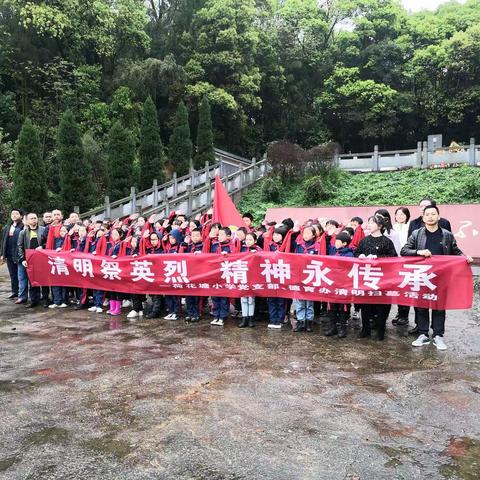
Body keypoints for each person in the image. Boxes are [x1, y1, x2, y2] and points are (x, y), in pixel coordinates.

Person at [401, 205, 473, 350]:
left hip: (441, 276)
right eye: (427, 214)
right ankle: (423, 334)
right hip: (422, 276)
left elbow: (455, 251)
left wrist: (465, 258)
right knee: (421, 305)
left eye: (433, 214)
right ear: (423, 217)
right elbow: (404, 251)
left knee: (439, 307)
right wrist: (419, 252)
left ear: (438, 216)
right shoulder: (416, 234)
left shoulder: (447, 235)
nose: (430, 217)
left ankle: (438, 335)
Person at [355, 215, 397, 340]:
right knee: (365, 304)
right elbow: (356, 252)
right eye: (368, 222)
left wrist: (379, 259)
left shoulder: (387, 241)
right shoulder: (364, 240)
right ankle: (365, 328)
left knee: (382, 304)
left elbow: (393, 257)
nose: (369, 225)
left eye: (372, 223)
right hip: (367, 277)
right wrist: (360, 255)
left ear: (380, 225)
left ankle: (381, 330)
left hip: (383, 278)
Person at [324, 232, 354, 338]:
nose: (335, 243)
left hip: (344, 285)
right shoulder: (333, 251)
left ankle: (342, 327)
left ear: (345, 243)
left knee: (343, 307)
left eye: (338, 241)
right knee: (332, 306)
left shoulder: (349, 254)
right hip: (332, 283)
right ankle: (332, 327)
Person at [293, 226, 320, 333]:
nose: (305, 235)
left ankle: (309, 322)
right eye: (304, 233)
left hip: (311, 276)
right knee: (299, 301)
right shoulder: (299, 246)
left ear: (313, 235)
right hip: (299, 276)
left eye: (308, 233)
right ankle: (301, 321)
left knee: (309, 302)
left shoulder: (317, 246)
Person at [17, 213, 46, 308]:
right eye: (31, 218)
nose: (33, 220)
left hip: (42, 258)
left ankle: (46, 299)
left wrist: (43, 246)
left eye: (35, 218)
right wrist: (22, 259)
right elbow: (20, 246)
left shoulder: (43, 230)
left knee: (44, 280)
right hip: (30, 259)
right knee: (32, 280)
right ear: (27, 220)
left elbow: (48, 242)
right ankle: (34, 300)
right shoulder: (23, 232)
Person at [392, 207, 411, 326]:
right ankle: (399, 312)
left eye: (402, 214)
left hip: (407, 261)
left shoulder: (410, 227)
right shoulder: (392, 227)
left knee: (405, 287)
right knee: (397, 288)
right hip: (394, 262)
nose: (399, 216)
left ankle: (405, 315)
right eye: (397, 214)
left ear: (407, 216)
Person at [210, 227, 232, 326]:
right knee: (215, 296)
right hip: (215, 274)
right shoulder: (214, 245)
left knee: (224, 297)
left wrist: (228, 255)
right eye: (219, 234)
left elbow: (236, 257)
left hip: (226, 274)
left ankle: (222, 316)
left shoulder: (231, 246)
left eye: (222, 234)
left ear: (228, 236)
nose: (219, 236)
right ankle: (216, 315)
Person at [0, 209, 24, 300]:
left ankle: (23, 293)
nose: (14, 215)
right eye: (12, 213)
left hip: (19, 254)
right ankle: (14, 291)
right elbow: (3, 241)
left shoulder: (23, 226)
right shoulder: (7, 227)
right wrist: (2, 253)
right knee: (12, 274)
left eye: (16, 213)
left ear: (21, 216)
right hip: (9, 254)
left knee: (21, 275)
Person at [239, 232, 260, 328]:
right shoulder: (242, 249)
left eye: (250, 239)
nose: (248, 242)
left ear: (255, 240)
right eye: (246, 239)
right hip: (243, 276)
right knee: (243, 297)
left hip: (253, 277)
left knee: (251, 299)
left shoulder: (258, 250)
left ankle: (251, 317)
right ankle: (244, 317)